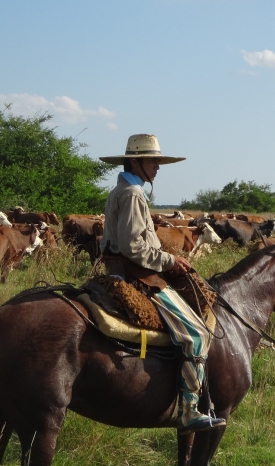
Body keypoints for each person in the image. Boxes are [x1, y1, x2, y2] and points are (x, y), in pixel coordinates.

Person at [98, 133, 226, 434]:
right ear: (135, 161)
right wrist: (170, 261)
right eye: (153, 160)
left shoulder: (127, 189)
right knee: (195, 334)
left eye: (158, 161)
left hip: (128, 268)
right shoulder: (131, 193)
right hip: (136, 275)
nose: (158, 166)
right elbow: (133, 246)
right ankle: (188, 411)